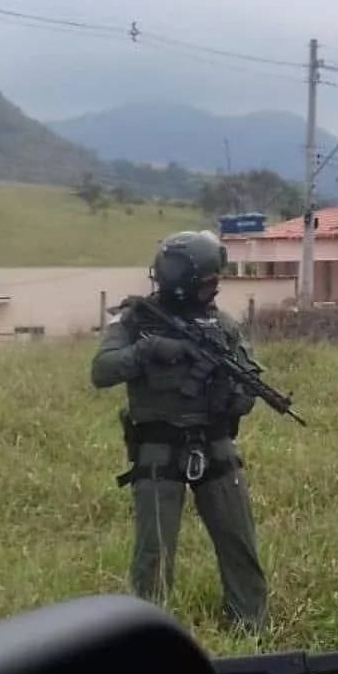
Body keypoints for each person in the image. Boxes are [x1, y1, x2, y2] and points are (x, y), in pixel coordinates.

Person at [90, 229, 268, 633]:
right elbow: (101, 371)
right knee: (153, 555)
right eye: (208, 281)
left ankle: (250, 629)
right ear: (183, 283)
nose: (216, 287)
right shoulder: (136, 320)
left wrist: (238, 394)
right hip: (158, 450)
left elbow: (248, 376)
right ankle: (150, 637)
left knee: (239, 544)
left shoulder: (221, 325)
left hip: (218, 446)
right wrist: (149, 350)